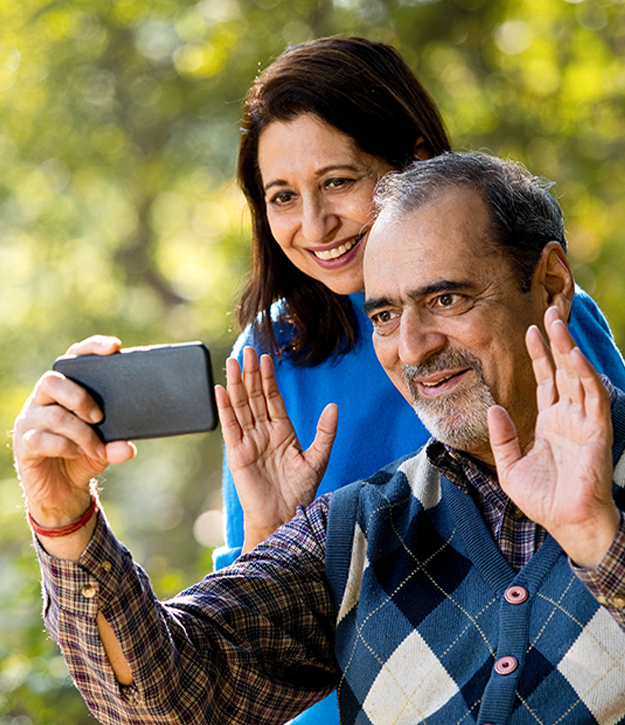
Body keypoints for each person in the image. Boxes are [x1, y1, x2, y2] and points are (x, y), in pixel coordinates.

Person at [14, 152, 625, 724]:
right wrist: (63, 515)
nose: (413, 348)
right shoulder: (359, 527)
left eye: (446, 298)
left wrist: (600, 542)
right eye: (385, 315)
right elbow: (168, 697)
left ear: (549, 282)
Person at [220, 39, 625, 723]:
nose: (314, 224)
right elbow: (247, 614)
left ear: (413, 165)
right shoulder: (270, 354)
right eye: (282, 196)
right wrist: (268, 525)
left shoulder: (541, 313)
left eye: (339, 182)